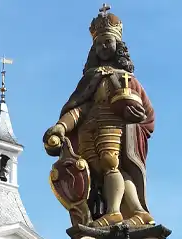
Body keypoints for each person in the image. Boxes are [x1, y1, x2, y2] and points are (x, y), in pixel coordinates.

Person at [43, 5, 156, 227]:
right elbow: (79, 108)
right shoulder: (90, 78)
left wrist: (133, 113)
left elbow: (145, 112)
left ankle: (114, 212)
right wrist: (61, 127)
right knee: (98, 172)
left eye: (108, 42)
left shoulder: (126, 78)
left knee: (111, 164)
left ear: (118, 45)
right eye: (99, 43)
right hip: (88, 130)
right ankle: (137, 211)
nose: (104, 46)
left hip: (111, 126)